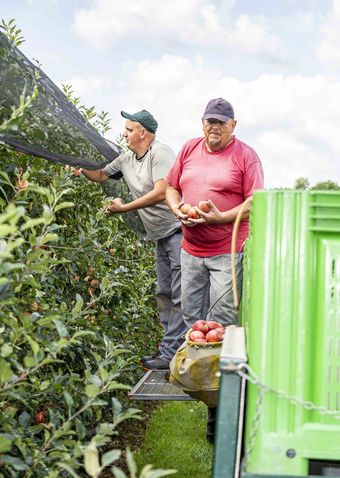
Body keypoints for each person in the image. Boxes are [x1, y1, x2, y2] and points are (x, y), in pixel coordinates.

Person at [165, 97, 264, 441]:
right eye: (210, 121)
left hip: (227, 251)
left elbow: (254, 201)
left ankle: (219, 417)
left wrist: (220, 216)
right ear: (202, 123)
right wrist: (179, 208)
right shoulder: (189, 148)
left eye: (221, 122)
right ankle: (201, 390)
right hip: (191, 249)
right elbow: (172, 186)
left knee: (220, 329)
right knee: (193, 322)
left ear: (233, 125)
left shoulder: (245, 156)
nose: (214, 127)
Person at [74, 109, 187, 370]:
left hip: (179, 232)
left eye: (129, 130)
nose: (124, 134)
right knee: (164, 293)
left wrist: (124, 207)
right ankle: (171, 352)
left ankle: (173, 354)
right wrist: (80, 169)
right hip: (160, 235)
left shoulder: (161, 153)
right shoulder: (126, 159)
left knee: (181, 295)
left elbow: (161, 192)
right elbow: (102, 174)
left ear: (143, 133)